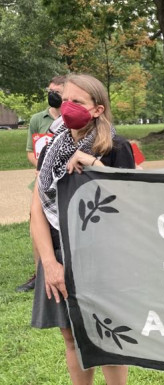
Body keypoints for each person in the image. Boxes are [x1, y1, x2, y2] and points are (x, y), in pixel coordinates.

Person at [31, 73, 134, 384]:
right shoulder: (51, 149)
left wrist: (92, 163)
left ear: (98, 109)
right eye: (65, 101)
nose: (68, 108)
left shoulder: (117, 147)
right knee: (72, 338)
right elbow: (36, 209)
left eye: (77, 102)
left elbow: (130, 207)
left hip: (103, 258)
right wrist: (49, 264)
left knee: (107, 341)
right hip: (59, 253)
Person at [16, 75, 66, 293]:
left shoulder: (75, 117)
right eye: (50, 89)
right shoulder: (38, 119)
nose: (51, 94)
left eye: (57, 91)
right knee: (36, 224)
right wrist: (45, 169)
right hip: (43, 180)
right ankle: (39, 273)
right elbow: (30, 152)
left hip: (68, 180)